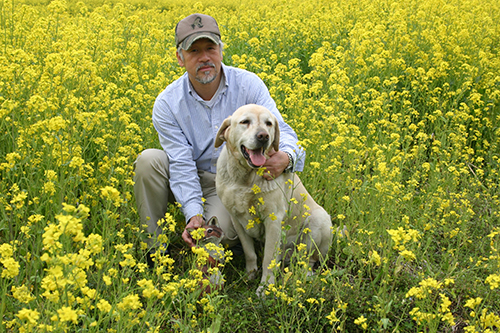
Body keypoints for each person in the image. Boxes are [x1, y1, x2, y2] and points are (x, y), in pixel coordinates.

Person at [133, 13, 305, 264]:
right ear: (180, 58)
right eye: (194, 51)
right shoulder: (168, 103)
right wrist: (193, 212)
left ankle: (222, 245)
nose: (204, 58)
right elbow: (181, 164)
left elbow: (284, 131)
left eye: (210, 48)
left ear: (221, 51)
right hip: (190, 173)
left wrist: (286, 158)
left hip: (234, 181)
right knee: (148, 160)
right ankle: (154, 253)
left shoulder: (248, 85)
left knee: (214, 237)